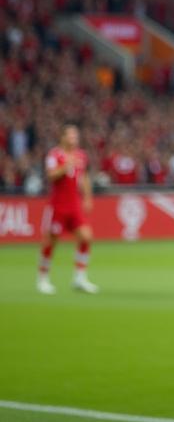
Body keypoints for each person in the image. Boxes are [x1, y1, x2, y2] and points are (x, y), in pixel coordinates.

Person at [37, 123, 99, 295]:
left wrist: (87, 197)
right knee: (51, 241)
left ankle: (80, 278)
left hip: (74, 205)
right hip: (58, 206)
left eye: (76, 136)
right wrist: (65, 166)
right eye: (71, 135)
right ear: (62, 137)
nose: (74, 139)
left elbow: (84, 176)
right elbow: (50, 175)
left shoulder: (81, 155)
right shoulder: (54, 155)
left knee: (86, 237)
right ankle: (43, 278)